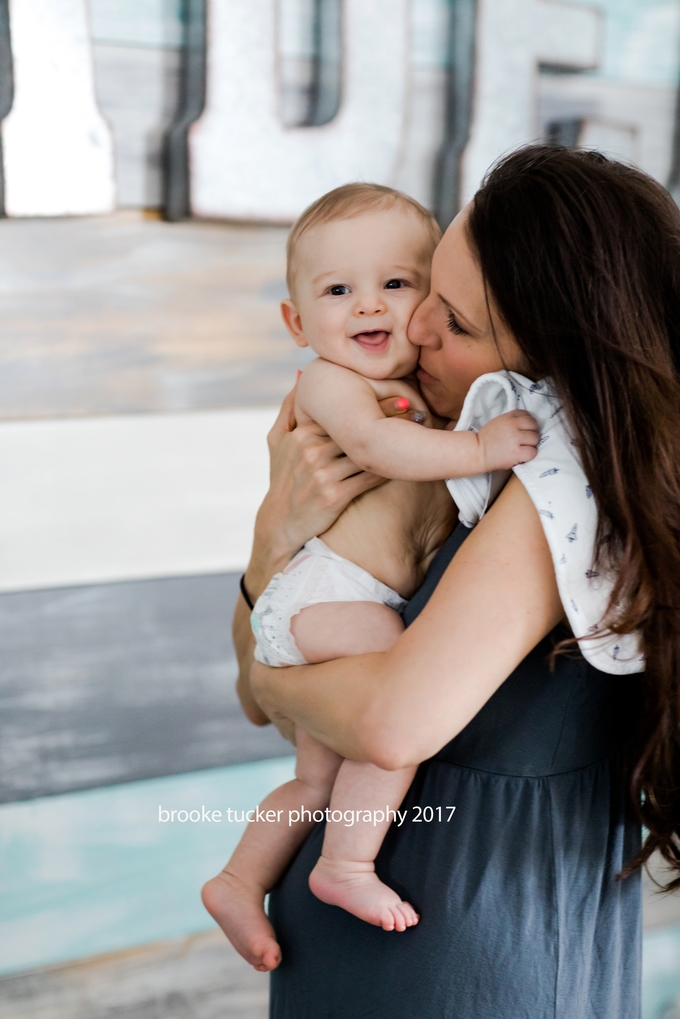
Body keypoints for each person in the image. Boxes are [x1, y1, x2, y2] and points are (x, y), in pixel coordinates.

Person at [235, 146, 680, 1017]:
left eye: (459, 322)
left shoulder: (563, 470)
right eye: (429, 288)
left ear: (561, 361)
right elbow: (267, 704)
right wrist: (273, 535)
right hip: (375, 907)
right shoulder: (428, 446)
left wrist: (266, 668)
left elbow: (378, 714)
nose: (417, 328)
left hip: (467, 924)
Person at [202, 183, 539, 968]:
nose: (371, 308)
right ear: (296, 322)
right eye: (338, 291)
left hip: (324, 602)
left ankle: (238, 879)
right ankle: (345, 863)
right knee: (392, 663)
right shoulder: (328, 384)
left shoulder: (436, 390)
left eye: (397, 283)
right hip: (324, 594)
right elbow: (385, 451)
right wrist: (482, 449)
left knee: (316, 781)